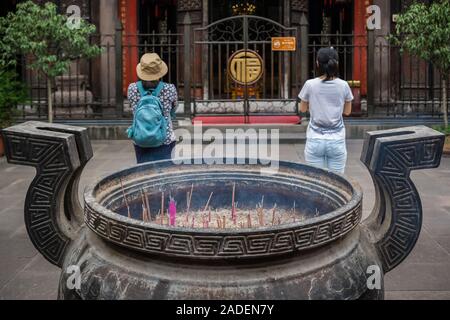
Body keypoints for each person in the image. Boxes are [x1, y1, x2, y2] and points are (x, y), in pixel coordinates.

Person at [298, 47, 353, 174]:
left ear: (317, 63)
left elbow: (302, 109)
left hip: (315, 138)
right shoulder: (344, 85)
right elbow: (347, 111)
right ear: (336, 64)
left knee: (316, 182)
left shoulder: (310, 84)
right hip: (337, 140)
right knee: (337, 183)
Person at [127, 53, 178, 164]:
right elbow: (174, 108)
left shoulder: (132, 88)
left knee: (143, 173)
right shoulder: (170, 89)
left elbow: (132, 107)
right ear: (159, 72)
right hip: (165, 139)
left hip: (140, 139)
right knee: (165, 174)